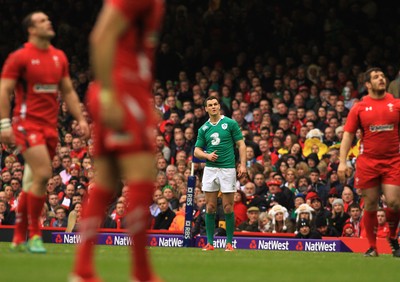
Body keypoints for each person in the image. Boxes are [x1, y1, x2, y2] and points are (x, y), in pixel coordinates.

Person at [71, 1, 165, 281]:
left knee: (106, 181)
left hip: (128, 91)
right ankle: (141, 272)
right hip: (121, 91)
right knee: (142, 178)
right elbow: (101, 36)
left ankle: (83, 269)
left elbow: (134, 49)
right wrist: (111, 92)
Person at [0, 11, 89, 253]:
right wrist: (4, 124)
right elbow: (4, 88)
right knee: (43, 172)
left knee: (34, 179)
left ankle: (19, 235)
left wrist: (81, 118)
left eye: (48, 19)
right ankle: (36, 235)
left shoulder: (59, 57)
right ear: (31, 29)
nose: (48, 22)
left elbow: (68, 91)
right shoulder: (19, 57)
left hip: (51, 128)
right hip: (26, 124)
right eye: (41, 20)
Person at [338, 67, 400, 257]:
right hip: (368, 162)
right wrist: (342, 162)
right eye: (375, 77)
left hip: (393, 160)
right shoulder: (360, 107)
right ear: (367, 84)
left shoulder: (396, 104)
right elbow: (348, 135)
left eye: (382, 76)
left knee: (394, 202)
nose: (381, 79)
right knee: (371, 204)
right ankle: (373, 247)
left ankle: (391, 235)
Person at [194, 96, 246, 251]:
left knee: (228, 207)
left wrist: (242, 165)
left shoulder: (230, 123)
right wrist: (207, 156)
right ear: (206, 109)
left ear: (219, 106)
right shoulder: (203, 128)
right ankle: (210, 243)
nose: (214, 106)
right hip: (210, 169)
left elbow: (241, 144)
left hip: (227, 169)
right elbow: (196, 150)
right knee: (210, 206)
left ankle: (229, 243)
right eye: (210, 105)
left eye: (216, 104)